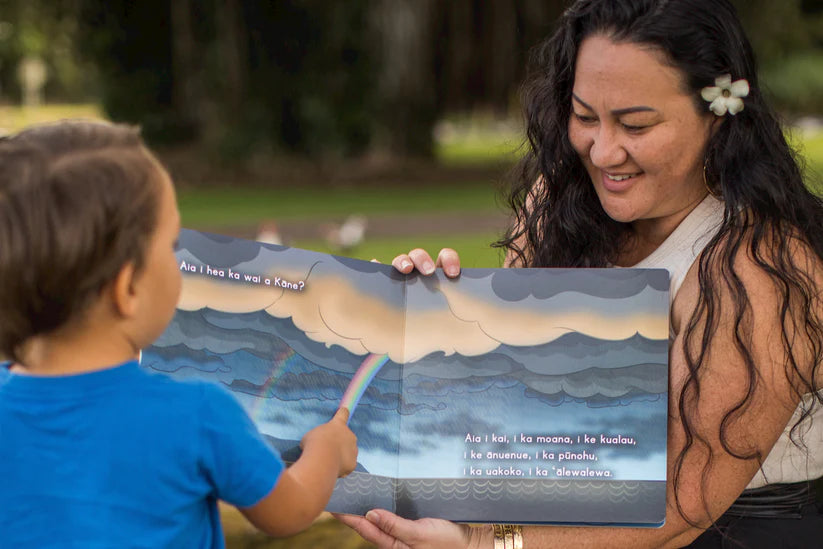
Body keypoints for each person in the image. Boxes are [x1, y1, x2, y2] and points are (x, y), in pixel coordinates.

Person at [338, 0, 823, 547]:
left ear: (718, 116)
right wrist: (418, 322)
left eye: (636, 124)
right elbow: (510, 411)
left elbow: (684, 506)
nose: (603, 150)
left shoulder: (764, 266)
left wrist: (487, 544)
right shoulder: (556, 205)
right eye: (585, 116)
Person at [0, 120, 358, 547]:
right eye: (171, 245)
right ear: (127, 288)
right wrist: (328, 451)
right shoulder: (197, 414)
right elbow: (289, 509)